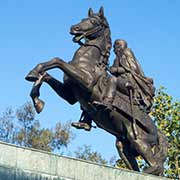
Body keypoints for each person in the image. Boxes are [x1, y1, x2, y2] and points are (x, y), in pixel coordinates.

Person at [94, 39, 155, 113]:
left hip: (129, 83)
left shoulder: (126, 52)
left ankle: (108, 103)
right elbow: (113, 70)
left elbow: (133, 69)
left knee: (113, 79)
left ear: (119, 46)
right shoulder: (117, 58)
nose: (113, 50)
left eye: (114, 47)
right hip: (121, 82)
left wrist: (116, 70)